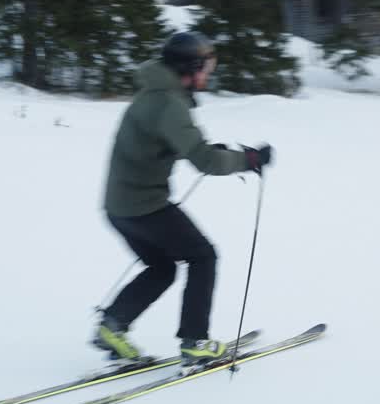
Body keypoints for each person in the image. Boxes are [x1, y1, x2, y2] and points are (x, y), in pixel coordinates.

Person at [93, 31, 273, 367]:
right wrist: (248, 160)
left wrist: (212, 152)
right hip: (144, 205)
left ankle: (112, 326)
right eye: (206, 68)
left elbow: (162, 144)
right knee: (203, 257)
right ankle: (195, 342)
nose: (209, 75)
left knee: (162, 268)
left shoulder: (154, 94)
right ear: (189, 68)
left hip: (120, 207)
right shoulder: (169, 104)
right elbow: (205, 160)